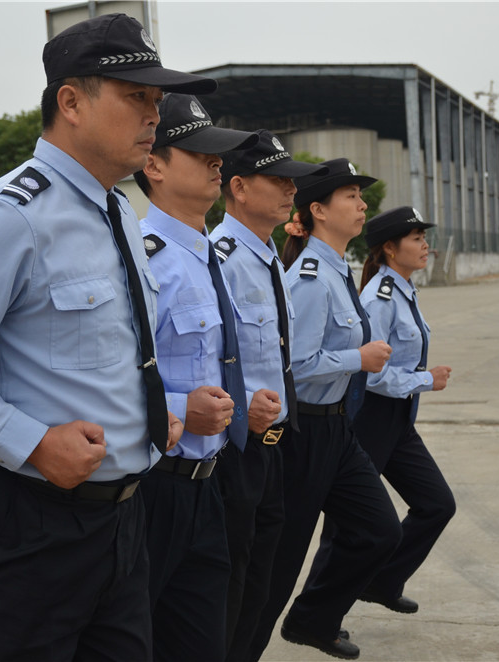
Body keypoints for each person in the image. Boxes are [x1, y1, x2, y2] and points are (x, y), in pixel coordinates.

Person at [0, 13, 216, 661]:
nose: (154, 115)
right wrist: (31, 442)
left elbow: (108, 354)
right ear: (71, 103)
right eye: (136, 96)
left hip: (121, 521)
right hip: (26, 524)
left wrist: (150, 414)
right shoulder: (10, 217)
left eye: (156, 100)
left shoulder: (117, 211)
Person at [248, 159, 403, 660]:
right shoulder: (311, 278)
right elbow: (295, 364)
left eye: (361, 196)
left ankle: (312, 618)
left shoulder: (337, 270)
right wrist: (358, 359)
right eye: (351, 196)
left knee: (379, 530)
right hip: (304, 435)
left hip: (338, 429)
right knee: (279, 565)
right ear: (318, 210)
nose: (362, 205)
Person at [132, 93, 257, 661]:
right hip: (154, 488)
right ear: (153, 165)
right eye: (198, 152)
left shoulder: (208, 258)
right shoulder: (147, 259)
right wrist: (182, 409)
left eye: (217, 154)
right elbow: (115, 374)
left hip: (210, 483)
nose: (216, 162)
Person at [208, 130, 326, 662]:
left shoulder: (269, 257)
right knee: (233, 584)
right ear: (238, 188)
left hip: (274, 444)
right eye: (278, 180)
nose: (290, 191)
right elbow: (205, 355)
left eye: (291, 182)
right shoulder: (222, 257)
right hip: (236, 448)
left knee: (261, 585)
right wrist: (244, 402)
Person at [352, 206, 456, 616]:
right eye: (416, 238)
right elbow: (372, 375)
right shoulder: (379, 297)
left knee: (437, 504)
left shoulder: (404, 290)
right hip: (372, 418)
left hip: (398, 420)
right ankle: (319, 613)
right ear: (390, 249)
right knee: (347, 526)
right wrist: (425, 379)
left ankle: (382, 581)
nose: (425, 244)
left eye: (424, 237)